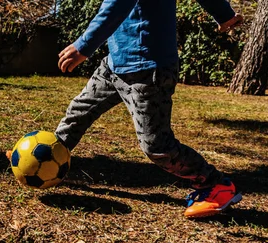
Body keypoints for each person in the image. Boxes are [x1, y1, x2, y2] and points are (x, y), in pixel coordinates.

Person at [51, 0, 243, 218]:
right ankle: (47, 157)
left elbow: (118, 4)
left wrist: (83, 46)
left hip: (147, 68)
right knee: (80, 110)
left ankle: (216, 185)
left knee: (157, 146)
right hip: (115, 62)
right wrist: (224, 14)